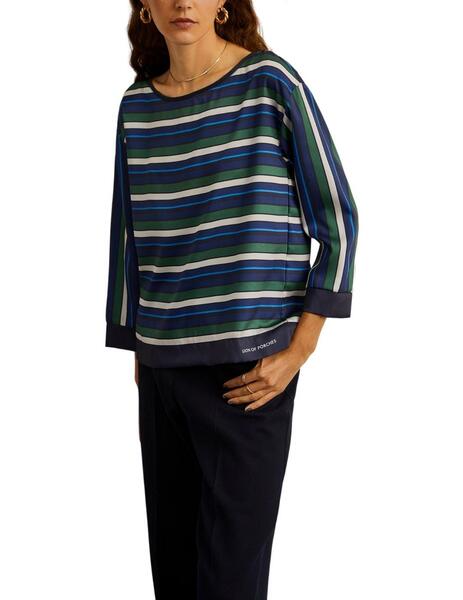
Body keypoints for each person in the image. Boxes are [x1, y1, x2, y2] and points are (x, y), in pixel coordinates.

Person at [104, 1, 359, 598]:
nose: (183, 3)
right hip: (161, 372)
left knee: (229, 583)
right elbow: (129, 235)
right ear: (144, 6)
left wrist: (300, 348)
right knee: (174, 578)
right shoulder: (135, 107)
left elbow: (339, 219)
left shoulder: (271, 83)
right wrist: (137, 344)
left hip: (248, 374)